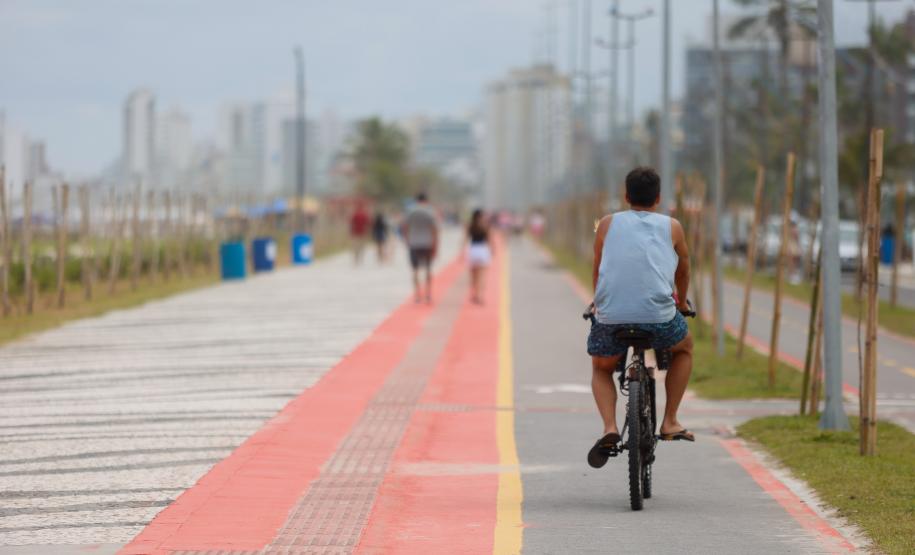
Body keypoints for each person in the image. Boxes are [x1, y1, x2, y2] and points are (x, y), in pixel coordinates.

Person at [586, 166, 694, 470]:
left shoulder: (606, 224)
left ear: (626, 196)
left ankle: (609, 428)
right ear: (658, 198)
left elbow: (599, 268)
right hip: (660, 317)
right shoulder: (673, 227)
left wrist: (598, 302)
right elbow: (683, 270)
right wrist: (682, 302)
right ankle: (670, 420)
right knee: (684, 347)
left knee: (601, 367)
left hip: (611, 316)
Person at [401, 192, 439, 304]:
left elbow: (405, 226)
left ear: (416, 200)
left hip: (414, 243)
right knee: (428, 269)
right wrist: (435, 244)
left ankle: (417, 295)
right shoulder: (430, 211)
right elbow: (434, 229)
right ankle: (428, 294)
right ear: (426, 200)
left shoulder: (410, 211)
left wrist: (407, 240)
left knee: (415, 270)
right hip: (428, 243)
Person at [464, 209, 494, 304]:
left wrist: (462, 251)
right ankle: (481, 296)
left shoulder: (470, 225)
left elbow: (465, 239)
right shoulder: (485, 226)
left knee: (474, 276)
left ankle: (475, 295)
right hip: (483, 250)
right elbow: (489, 239)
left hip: (473, 250)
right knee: (482, 275)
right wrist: (492, 250)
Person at [350, 200, 370, 265]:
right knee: (362, 246)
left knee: (355, 247)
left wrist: (351, 232)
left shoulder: (354, 214)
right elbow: (368, 223)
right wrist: (368, 232)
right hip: (363, 232)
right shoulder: (365, 214)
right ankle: (361, 258)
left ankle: (356, 259)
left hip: (355, 232)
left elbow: (352, 224)